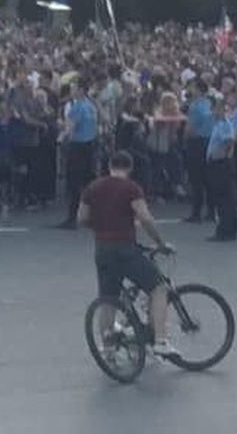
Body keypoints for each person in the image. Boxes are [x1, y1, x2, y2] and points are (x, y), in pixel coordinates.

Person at [78, 150, 179, 359]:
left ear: (109, 166)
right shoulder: (131, 188)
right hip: (124, 248)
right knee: (159, 287)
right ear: (130, 168)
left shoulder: (93, 187)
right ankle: (161, 341)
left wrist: (102, 226)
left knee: (108, 299)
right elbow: (145, 217)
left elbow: (82, 218)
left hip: (102, 248)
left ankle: (108, 349)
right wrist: (160, 243)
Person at [58, 80, 98, 230]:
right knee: (89, 182)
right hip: (90, 145)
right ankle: (92, 215)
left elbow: (70, 128)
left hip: (78, 146)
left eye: (74, 88)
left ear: (81, 90)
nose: (72, 91)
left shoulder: (77, 107)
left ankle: (72, 217)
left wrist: (61, 135)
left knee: (74, 182)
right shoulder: (90, 106)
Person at [182, 79, 214, 223]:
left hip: (197, 142)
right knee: (208, 178)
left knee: (196, 179)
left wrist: (184, 138)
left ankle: (196, 212)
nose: (190, 90)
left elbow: (190, 128)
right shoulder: (209, 103)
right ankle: (211, 211)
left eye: (193, 87)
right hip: (209, 141)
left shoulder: (194, 106)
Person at [206, 100, 237, 242]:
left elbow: (229, 141)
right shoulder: (218, 124)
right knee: (221, 198)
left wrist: (222, 154)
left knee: (224, 198)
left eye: (215, 110)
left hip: (221, 163)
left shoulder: (224, 124)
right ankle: (225, 229)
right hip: (217, 162)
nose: (213, 112)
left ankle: (226, 230)